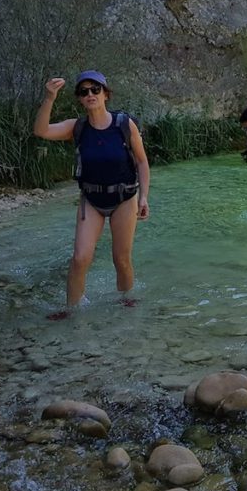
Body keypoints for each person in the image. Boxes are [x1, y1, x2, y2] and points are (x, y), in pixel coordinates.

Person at [34, 71, 150, 317]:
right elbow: (41, 131)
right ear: (79, 98)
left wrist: (144, 197)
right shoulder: (77, 128)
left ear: (105, 94)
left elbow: (141, 162)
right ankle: (72, 310)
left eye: (95, 89)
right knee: (79, 258)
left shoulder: (124, 124)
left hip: (124, 199)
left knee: (121, 259)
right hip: (91, 200)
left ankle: (127, 302)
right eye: (84, 91)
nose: (90, 95)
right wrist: (49, 97)